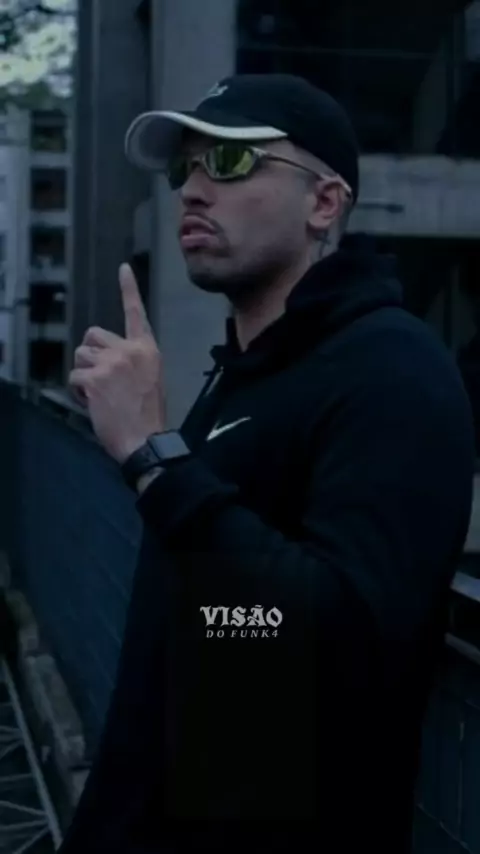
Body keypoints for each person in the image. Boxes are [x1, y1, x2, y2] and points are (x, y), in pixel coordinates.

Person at [62, 75, 474, 853]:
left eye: (230, 160)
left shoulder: (393, 371)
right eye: (184, 166)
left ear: (324, 203)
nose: (193, 189)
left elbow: (342, 636)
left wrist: (155, 460)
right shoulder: (243, 374)